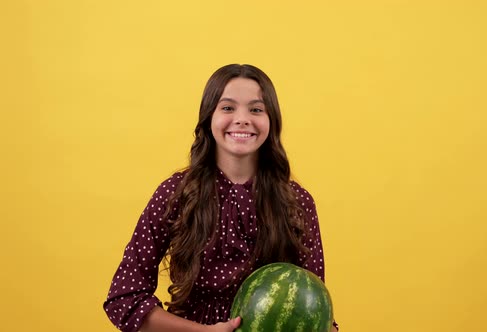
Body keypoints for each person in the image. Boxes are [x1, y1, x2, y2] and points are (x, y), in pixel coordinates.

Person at [103, 64, 338, 332]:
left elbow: (315, 308)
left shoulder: (297, 202)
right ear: (208, 118)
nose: (242, 119)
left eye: (256, 109)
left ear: (271, 120)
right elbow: (124, 298)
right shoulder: (174, 194)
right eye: (227, 108)